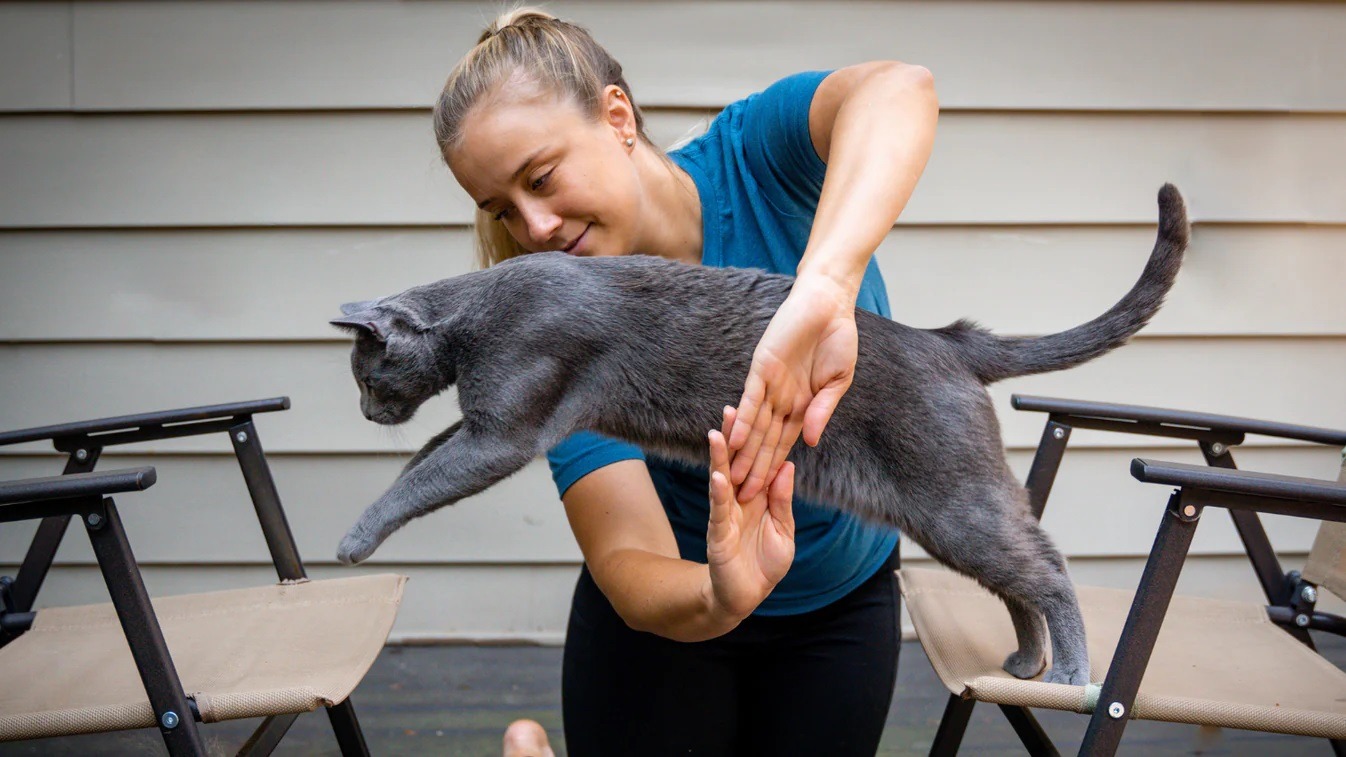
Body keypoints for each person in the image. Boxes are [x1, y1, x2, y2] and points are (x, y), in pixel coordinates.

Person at [435, 8, 938, 755]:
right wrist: (718, 593)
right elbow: (627, 562)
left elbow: (900, 89)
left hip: (840, 608)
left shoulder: (757, 160)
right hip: (675, 621)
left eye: (540, 177)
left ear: (616, 116)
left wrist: (824, 285)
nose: (534, 226)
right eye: (504, 209)